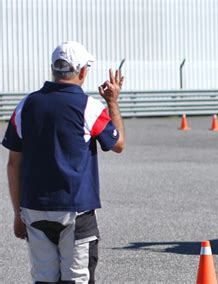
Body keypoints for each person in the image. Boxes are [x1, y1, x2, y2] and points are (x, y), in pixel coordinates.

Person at [2, 41, 125, 283]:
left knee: (44, 280)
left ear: (53, 69)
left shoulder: (25, 105)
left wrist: (18, 214)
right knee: (77, 279)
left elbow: (13, 163)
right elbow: (118, 144)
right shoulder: (89, 107)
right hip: (75, 209)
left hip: (34, 208)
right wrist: (112, 102)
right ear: (82, 71)